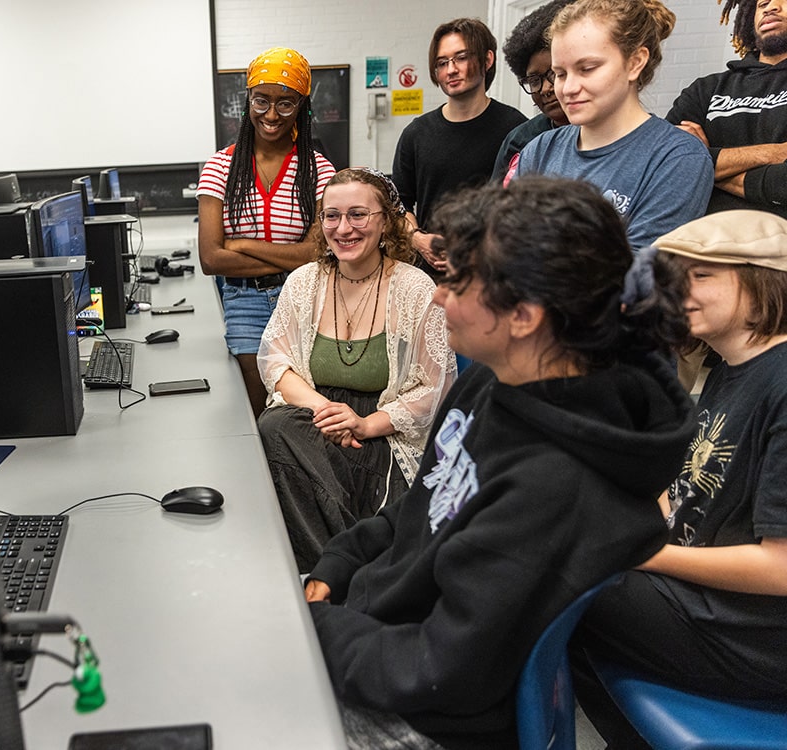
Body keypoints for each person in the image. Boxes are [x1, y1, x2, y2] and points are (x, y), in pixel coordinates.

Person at [304, 175, 697, 750]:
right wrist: (337, 564)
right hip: (378, 631)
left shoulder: (556, 483)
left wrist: (311, 629)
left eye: (459, 283)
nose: (439, 296)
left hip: (426, 713)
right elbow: (419, 507)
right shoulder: (494, 382)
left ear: (525, 315)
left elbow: (442, 669)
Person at [570, 210, 787, 749]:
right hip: (708, 605)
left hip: (758, 636)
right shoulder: (732, 370)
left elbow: (781, 568)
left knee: (546, 576)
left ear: (765, 279)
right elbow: (691, 494)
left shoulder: (782, 382)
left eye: (702, 275)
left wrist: (639, 552)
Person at [256, 168, 455, 573]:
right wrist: (325, 410)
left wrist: (364, 425)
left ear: (385, 222)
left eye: (358, 215)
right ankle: (348, 568)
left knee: (292, 455)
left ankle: (332, 571)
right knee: (278, 428)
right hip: (317, 424)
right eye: (331, 216)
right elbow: (276, 361)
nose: (343, 228)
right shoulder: (304, 283)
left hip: (383, 437)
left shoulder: (416, 289)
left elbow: (438, 388)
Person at [197, 47, 336, 418]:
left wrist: (240, 245)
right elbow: (211, 258)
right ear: (248, 101)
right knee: (255, 410)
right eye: (261, 101)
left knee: (302, 409)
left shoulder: (319, 170)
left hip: (303, 299)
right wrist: (286, 255)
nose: (271, 115)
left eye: (286, 104)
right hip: (244, 302)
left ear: (302, 107)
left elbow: (316, 254)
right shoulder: (220, 167)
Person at [515, 0, 714, 249]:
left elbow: (640, 274)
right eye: (560, 74)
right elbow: (505, 247)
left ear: (635, 63)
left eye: (587, 69)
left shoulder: (677, 158)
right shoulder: (540, 150)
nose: (568, 89)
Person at [391, 18, 526, 276]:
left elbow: (523, 209)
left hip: (493, 274)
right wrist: (419, 240)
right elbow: (398, 206)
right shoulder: (416, 134)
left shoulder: (515, 129)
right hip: (430, 273)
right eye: (442, 63)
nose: (451, 70)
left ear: (487, 60)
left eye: (461, 58)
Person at [665, 0, 787, 218]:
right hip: (696, 239)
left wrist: (702, 164)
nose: (770, 7)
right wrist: (775, 152)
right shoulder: (705, 89)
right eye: (762, 4)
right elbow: (665, 164)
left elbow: (783, 185)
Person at [492, 0, 575, 183]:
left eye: (554, 74)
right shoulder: (521, 140)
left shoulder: (602, 134)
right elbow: (494, 205)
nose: (546, 89)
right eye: (534, 80)